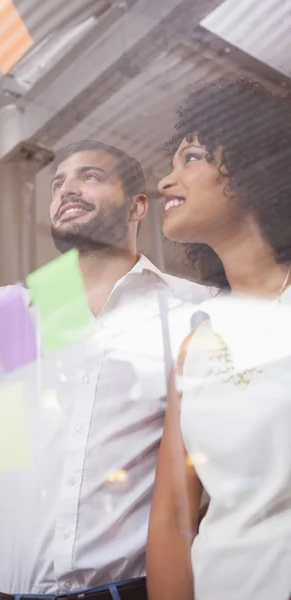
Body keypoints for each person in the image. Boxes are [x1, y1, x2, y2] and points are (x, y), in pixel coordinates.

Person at [0, 101, 208, 599]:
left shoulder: (193, 309)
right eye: (58, 183)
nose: (67, 190)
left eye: (90, 177)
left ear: (137, 206)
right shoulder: (18, 316)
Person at [146, 77, 291, 600]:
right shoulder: (196, 344)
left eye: (193, 157)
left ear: (256, 169)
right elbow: (171, 522)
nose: (166, 181)